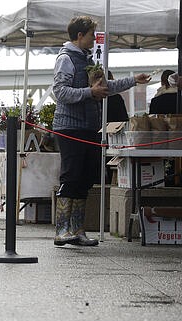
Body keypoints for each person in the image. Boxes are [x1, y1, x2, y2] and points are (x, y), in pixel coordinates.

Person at [52, 16, 150, 246]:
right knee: (71, 176)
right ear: (80, 35)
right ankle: (62, 229)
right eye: (91, 35)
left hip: (89, 127)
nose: (94, 39)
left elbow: (105, 88)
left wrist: (133, 81)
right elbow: (60, 92)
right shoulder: (66, 59)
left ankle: (77, 229)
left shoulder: (89, 60)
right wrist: (89, 93)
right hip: (69, 127)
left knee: (85, 178)